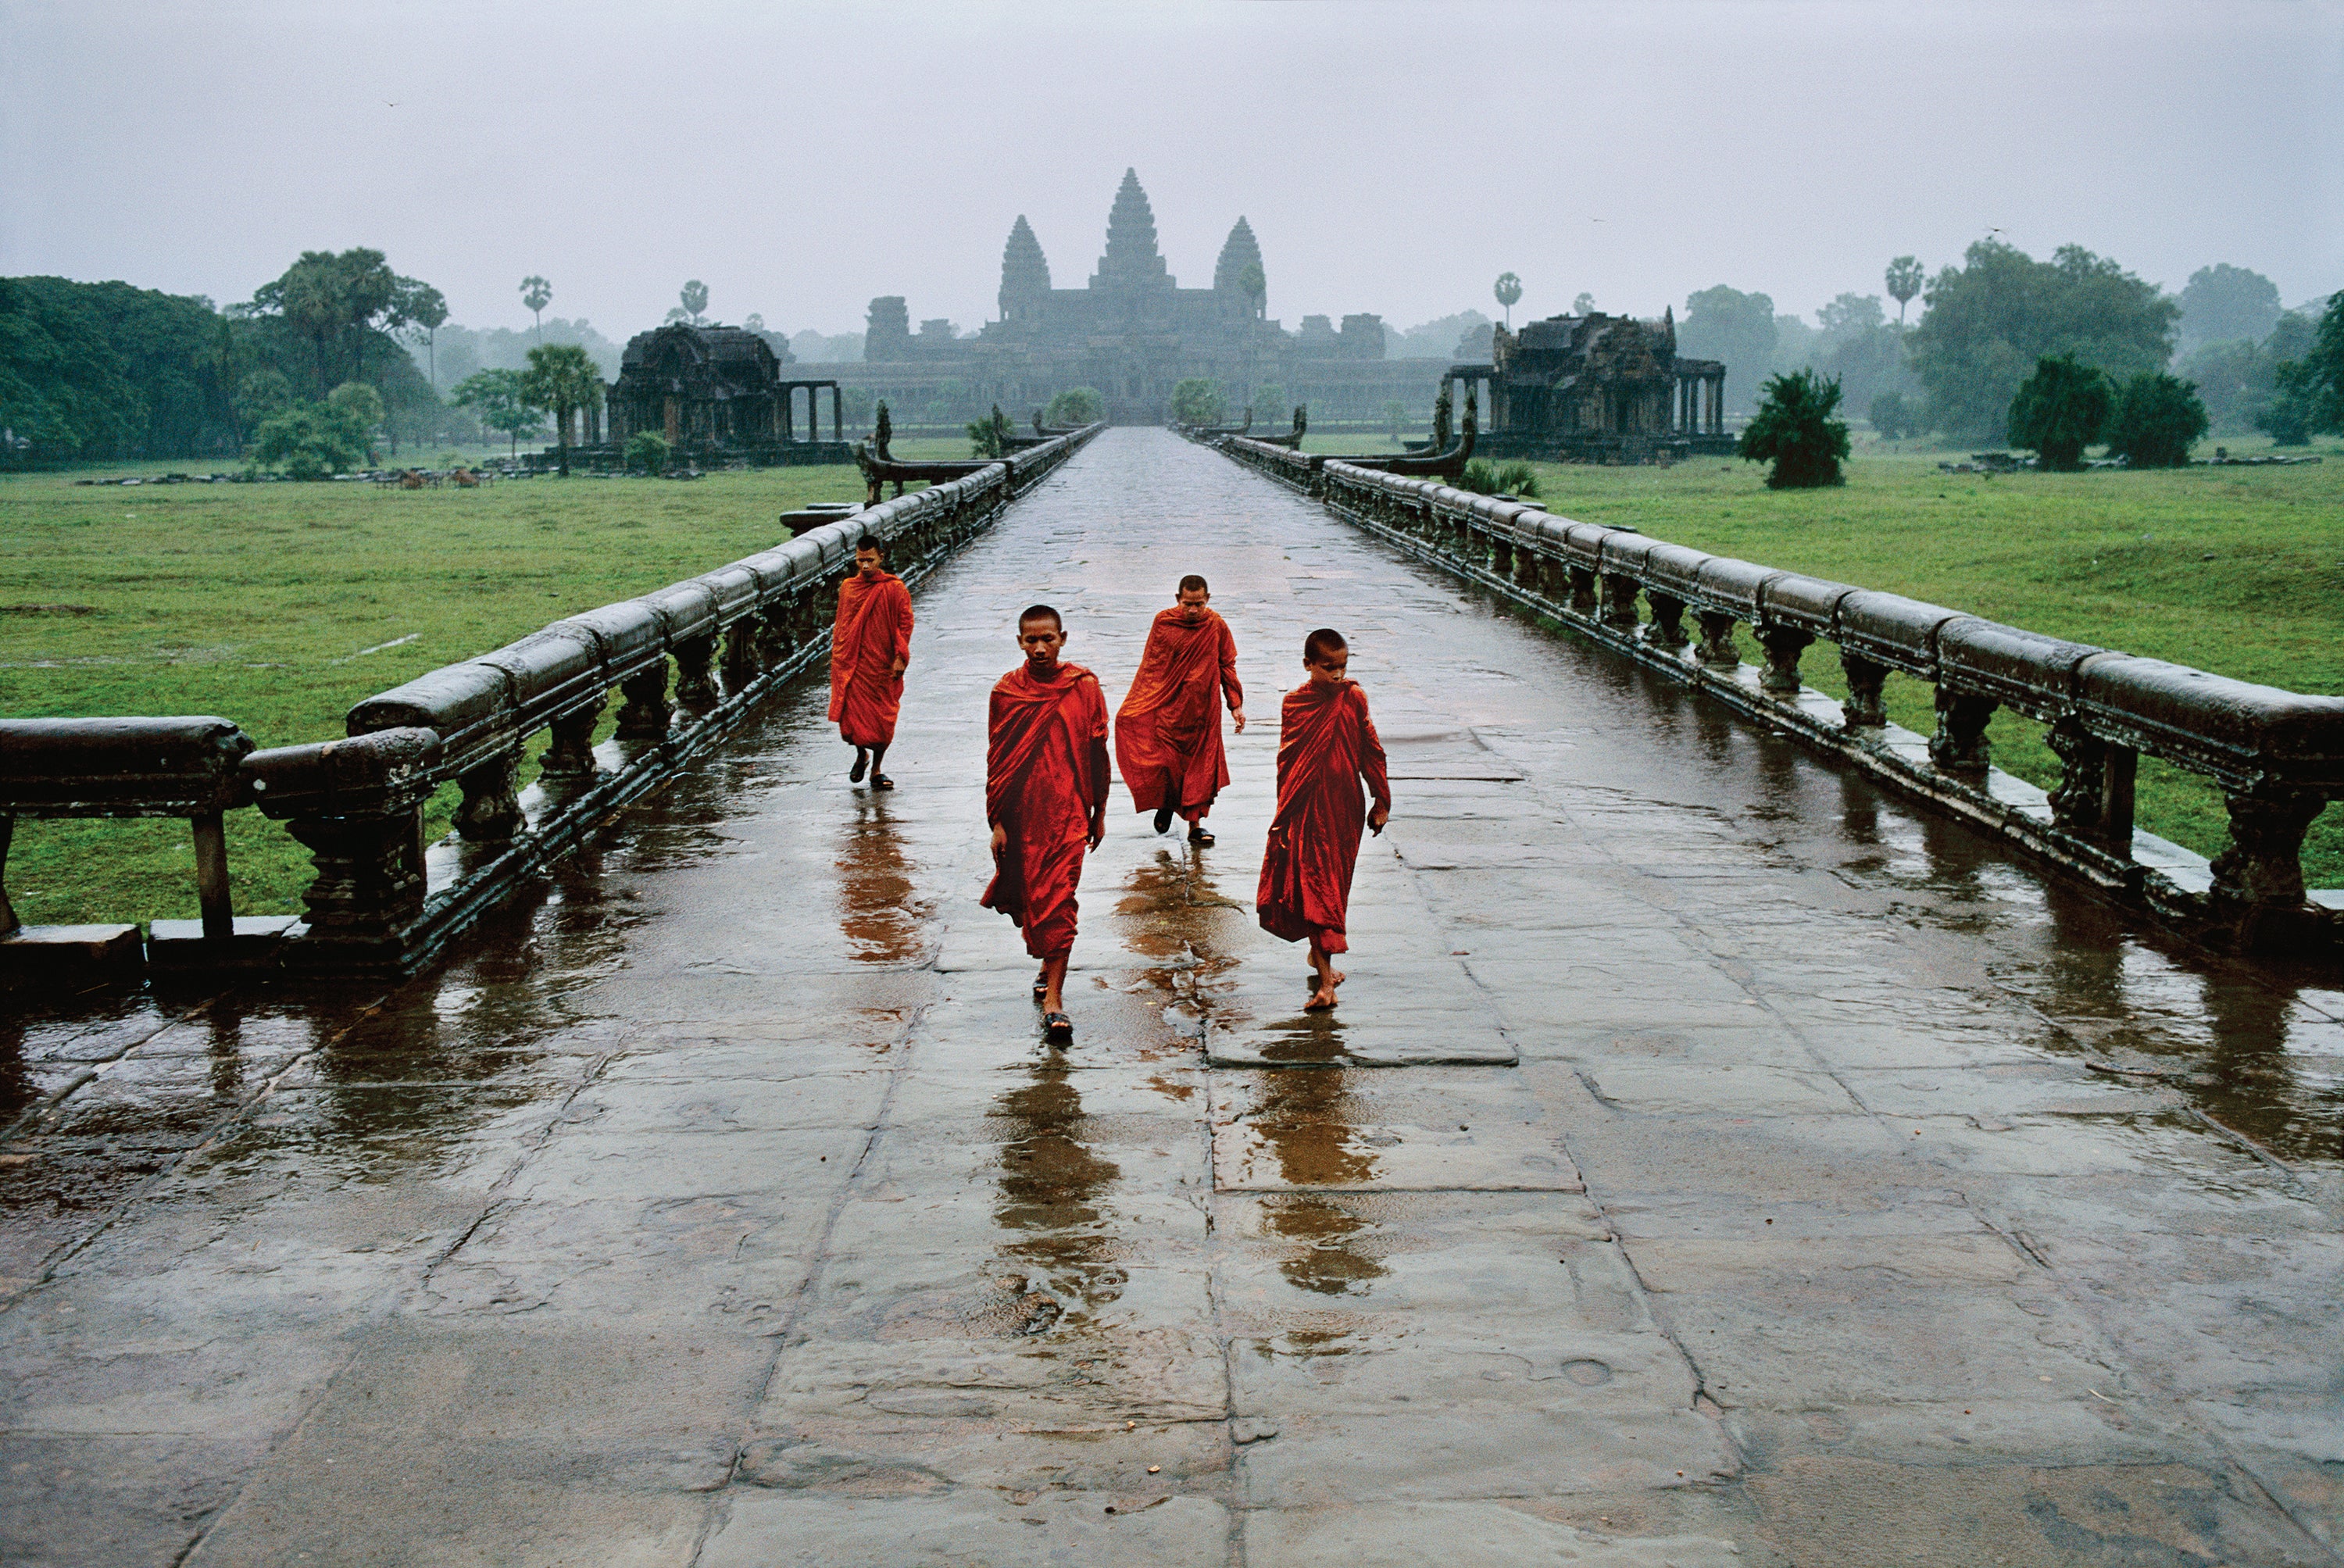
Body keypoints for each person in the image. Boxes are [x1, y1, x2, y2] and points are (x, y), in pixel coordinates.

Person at [981, 605, 1111, 1045]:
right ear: (1019, 642)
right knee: (1035, 899)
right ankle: (1046, 965)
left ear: (1063, 638)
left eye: (1048, 639)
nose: (1040, 648)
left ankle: (1055, 1000)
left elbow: (1097, 749)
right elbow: (998, 760)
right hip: (1022, 816)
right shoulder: (1007, 692)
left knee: (1058, 900)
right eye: (1031, 640)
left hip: (1069, 813)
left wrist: (1101, 809)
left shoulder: (1084, 686)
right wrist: (997, 821)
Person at [1256, 628, 1392, 1012]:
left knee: (1333, 884)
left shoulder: (1354, 698)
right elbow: (1289, 762)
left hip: (1344, 806)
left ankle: (1320, 956)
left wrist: (1382, 800)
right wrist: (1284, 813)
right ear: (1308, 665)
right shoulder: (1295, 704)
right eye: (1328, 668)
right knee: (1315, 886)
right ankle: (1326, 981)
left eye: (1342, 667)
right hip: (1304, 806)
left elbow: (1372, 751)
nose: (1336, 675)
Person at [1114, 574, 1245, 846]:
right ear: (1178, 599)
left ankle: (1195, 826)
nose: (1194, 610)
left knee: (1200, 770)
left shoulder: (1216, 625)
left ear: (1207, 599)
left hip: (1203, 712)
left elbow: (1226, 665)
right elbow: (1152, 667)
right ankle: (1166, 803)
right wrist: (1140, 703)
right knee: (1166, 762)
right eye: (1188, 604)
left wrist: (1236, 705)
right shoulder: (1164, 623)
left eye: (1199, 604)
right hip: (1170, 709)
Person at [830, 534, 913, 789]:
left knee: (882, 720)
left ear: (881, 558)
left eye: (870, 560)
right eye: (860, 560)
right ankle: (860, 755)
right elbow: (842, 625)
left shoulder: (894, 588)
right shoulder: (848, 588)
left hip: (882, 664)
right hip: (853, 664)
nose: (865, 566)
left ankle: (877, 768)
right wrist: (838, 657)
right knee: (853, 720)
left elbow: (905, 623)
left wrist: (900, 657)